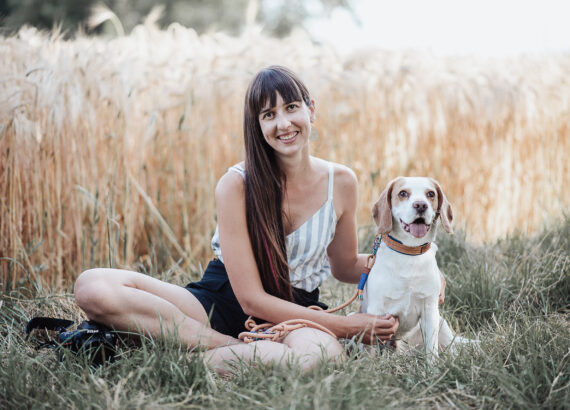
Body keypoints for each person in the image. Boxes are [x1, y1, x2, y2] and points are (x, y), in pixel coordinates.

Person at [74, 65, 401, 373]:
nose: (283, 124)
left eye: (291, 107)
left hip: (294, 315)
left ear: (310, 109)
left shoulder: (341, 182)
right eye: (269, 114)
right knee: (92, 287)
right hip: (218, 303)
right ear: (257, 125)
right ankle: (225, 347)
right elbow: (250, 298)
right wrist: (345, 326)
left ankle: (178, 352)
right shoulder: (236, 183)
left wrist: (415, 266)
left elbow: (343, 266)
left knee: (320, 358)